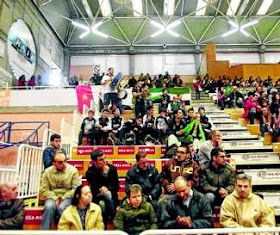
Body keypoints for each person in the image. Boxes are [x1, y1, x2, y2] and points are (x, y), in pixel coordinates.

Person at [40, 153, 81, 230]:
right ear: (53, 163)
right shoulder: (47, 172)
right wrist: (55, 198)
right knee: (49, 207)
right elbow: (44, 189)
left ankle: (66, 231)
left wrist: (63, 197)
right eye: (60, 162)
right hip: (52, 196)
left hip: (68, 196)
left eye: (65, 161)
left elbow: (76, 189)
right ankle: (44, 232)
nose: (64, 164)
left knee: (61, 208)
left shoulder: (73, 170)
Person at [86, 150, 119, 225]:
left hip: (111, 196)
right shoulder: (90, 172)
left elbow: (116, 187)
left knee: (106, 198)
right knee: (102, 203)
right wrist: (104, 174)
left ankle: (105, 224)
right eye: (101, 160)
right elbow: (94, 189)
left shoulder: (112, 169)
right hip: (97, 197)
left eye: (105, 158)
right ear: (94, 162)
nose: (104, 161)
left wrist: (108, 188)